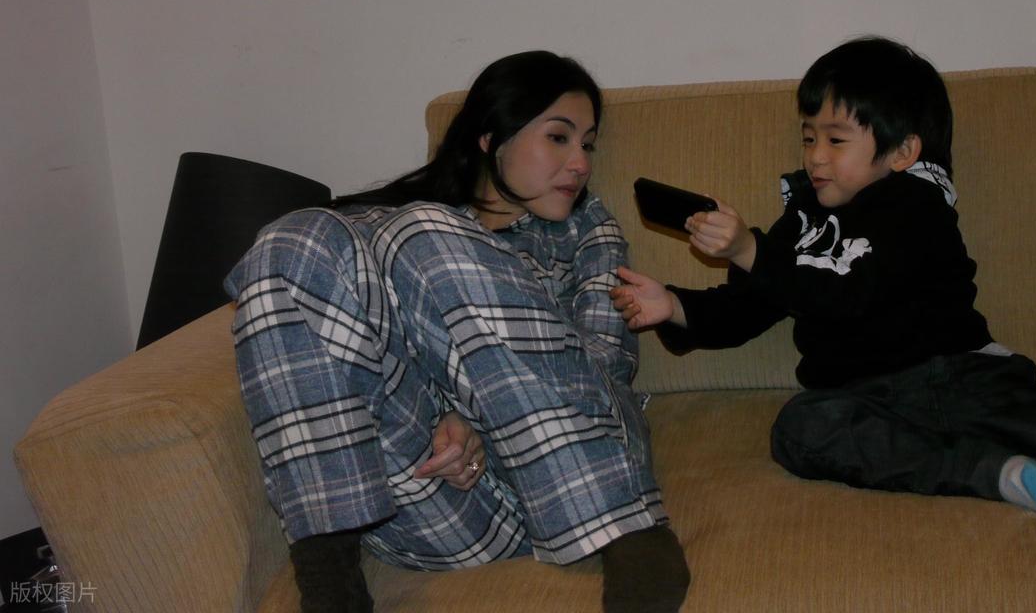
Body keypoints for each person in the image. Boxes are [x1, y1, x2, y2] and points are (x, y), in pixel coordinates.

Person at [610, 35, 1036, 530]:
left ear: (904, 151)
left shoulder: (918, 206)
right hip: (864, 401)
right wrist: (674, 306)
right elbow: (753, 305)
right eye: (808, 137)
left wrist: (751, 249)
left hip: (962, 378)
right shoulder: (802, 221)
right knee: (801, 428)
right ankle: (987, 471)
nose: (814, 156)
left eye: (836, 140)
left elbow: (853, 297)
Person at [225, 50, 689, 613]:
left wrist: (478, 415)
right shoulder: (394, 225)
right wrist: (444, 411)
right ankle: (330, 581)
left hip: (560, 491)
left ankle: (633, 535)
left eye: (588, 145)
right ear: (491, 138)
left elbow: (606, 364)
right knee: (293, 238)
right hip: (427, 500)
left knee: (419, 231)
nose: (580, 163)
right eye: (559, 137)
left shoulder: (586, 231)